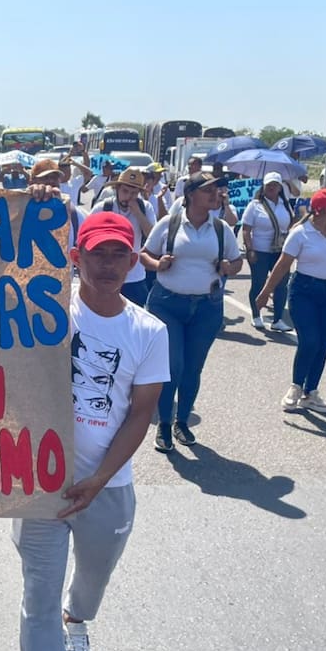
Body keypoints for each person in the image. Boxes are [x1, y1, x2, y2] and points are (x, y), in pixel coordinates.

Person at [13, 211, 168, 651]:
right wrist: (30, 209)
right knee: (38, 598)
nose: (109, 264)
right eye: (98, 253)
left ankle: (76, 618)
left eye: (120, 254)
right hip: (41, 485)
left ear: (135, 261)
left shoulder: (149, 331)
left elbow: (141, 414)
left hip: (108, 485)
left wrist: (99, 479)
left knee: (94, 576)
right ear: (75, 257)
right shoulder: (43, 311)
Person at [140, 172, 243, 451]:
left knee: (193, 368)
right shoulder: (170, 223)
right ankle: (163, 424)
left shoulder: (220, 228)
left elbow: (237, 262)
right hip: (167, 304)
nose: (215, 195)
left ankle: (181, 422)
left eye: (216, 190)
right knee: (173, 366)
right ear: (190, 195)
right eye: (207, 190)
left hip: (206, 308)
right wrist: (158, 263)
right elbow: (144, 254)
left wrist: (229, 267)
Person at [257, 188, 326, 414]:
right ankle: (296, 386)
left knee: (322, 343)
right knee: (309, 341)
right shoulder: (300, 233)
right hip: (304, 291)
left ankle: (311, 392)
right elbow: (282, 265)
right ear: (324, 210)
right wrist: (265, 292)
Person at [92, 166, 155, 306]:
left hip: (135, 277)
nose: (129, 197)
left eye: (134, 193)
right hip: (106, 274)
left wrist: (138, 213)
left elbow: (152, 237)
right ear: (117, 189)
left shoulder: (146, 208)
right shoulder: (102, 208)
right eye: (125, 191)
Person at [241, 171, 293, 331]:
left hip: (279, 250)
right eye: (268, 185)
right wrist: (250, 249)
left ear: (280, 187)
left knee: (281, 284)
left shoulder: (285, 205)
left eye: (274, 185)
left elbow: (290, 225)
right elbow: (246, 229)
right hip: (260, 250)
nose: (271, 188)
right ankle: (256, 315)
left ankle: (277, 320)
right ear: (263, 187)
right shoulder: (255, 205)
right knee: (258, 283)